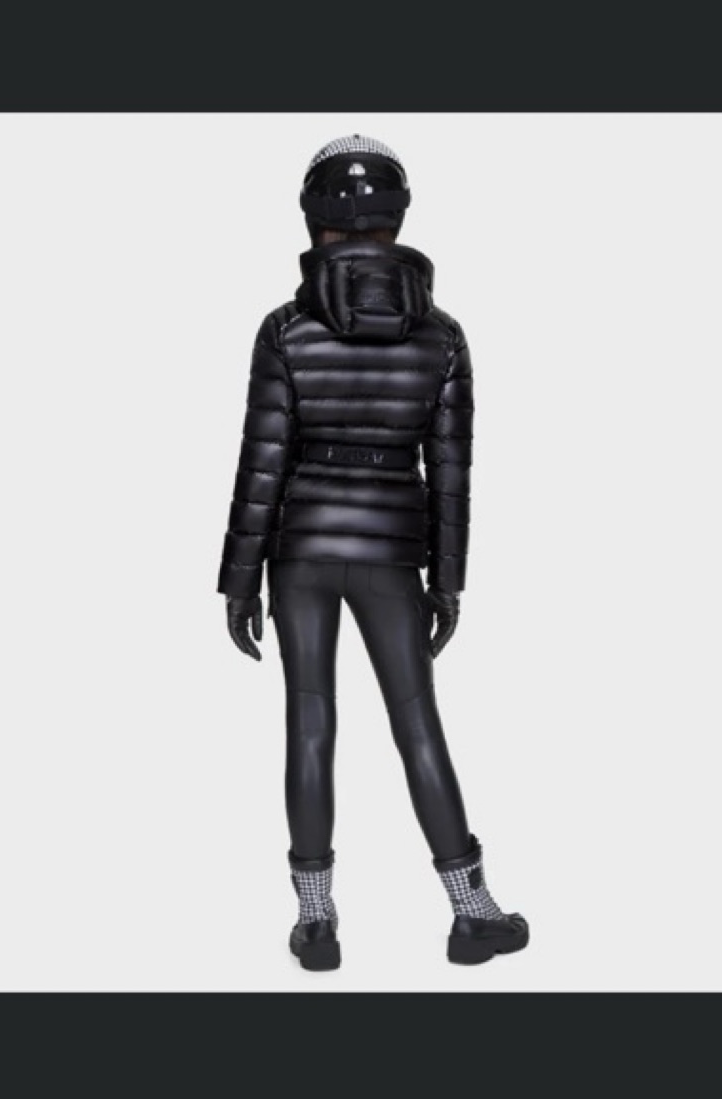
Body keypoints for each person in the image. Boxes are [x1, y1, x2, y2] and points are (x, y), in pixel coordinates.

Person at [217, 134, 528, 970]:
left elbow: (261, 462)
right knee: (418, 722)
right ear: (398, 217)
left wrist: (239, 582)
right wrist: (449, 580)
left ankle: (316, 921)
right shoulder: (445, 337)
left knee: (309, 722)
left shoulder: (284, 330)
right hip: (394, 554)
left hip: (300, 551)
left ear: (312, 217)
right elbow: (452, 474)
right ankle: (473, 912)